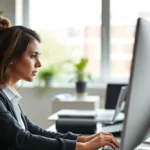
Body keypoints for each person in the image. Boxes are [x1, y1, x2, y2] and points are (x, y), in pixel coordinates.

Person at [0, 16, 119, 150]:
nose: (39, 64)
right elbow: (21, 139)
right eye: (33, 56)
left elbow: (34, 131)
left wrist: (84, 139)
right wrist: (81, 147)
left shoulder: (9, 96)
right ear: (11, 57)